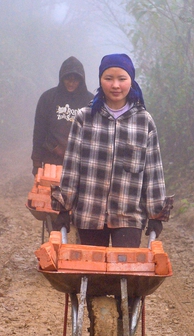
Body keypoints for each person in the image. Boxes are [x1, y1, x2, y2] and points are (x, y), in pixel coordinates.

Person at [51, 53, 172, 247]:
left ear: (131, 81)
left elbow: (153, 172)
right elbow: (72, 167)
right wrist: (64, 208)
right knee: (90, 273)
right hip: (89, 213)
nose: (115, 85)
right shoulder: (85, 118)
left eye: (121, 79)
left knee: (123, 272)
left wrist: (156, 214)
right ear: (100, 81)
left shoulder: (144, 121)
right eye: (109, 78)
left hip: (128, 216)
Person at [31, 56, 94, 175]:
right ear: (61, 78)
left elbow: (94, 136)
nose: (71, 83)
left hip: (79, 163)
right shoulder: (48, 98)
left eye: (75, 80)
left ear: (81, 80)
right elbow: (39, 131)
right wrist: (36, 162)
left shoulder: (90, 102)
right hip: (51, 159)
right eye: (67, 79)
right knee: (49, 192)